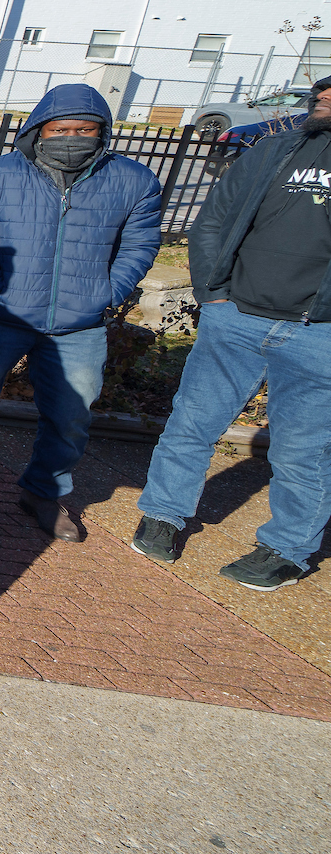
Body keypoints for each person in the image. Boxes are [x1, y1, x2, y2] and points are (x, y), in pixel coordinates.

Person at [0, 84, 163, 539]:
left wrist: (108, 293)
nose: (72, 137)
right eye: (61, 129)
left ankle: (43, 491)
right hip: (0, 315)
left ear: (103, 131)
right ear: (40, 129)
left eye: (85, 128)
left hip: (80, 324)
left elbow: (140, 244)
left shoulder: (135, 181)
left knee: (71, 414)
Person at [131, 75, 331, 591]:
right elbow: (213, 221)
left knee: (304, 450)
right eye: (322, 95)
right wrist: (213, 294)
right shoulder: (275, 150)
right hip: (235, 318)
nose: (324, 101)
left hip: (319, 336)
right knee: (193, 423)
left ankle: (288, 548)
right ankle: (162, 514)